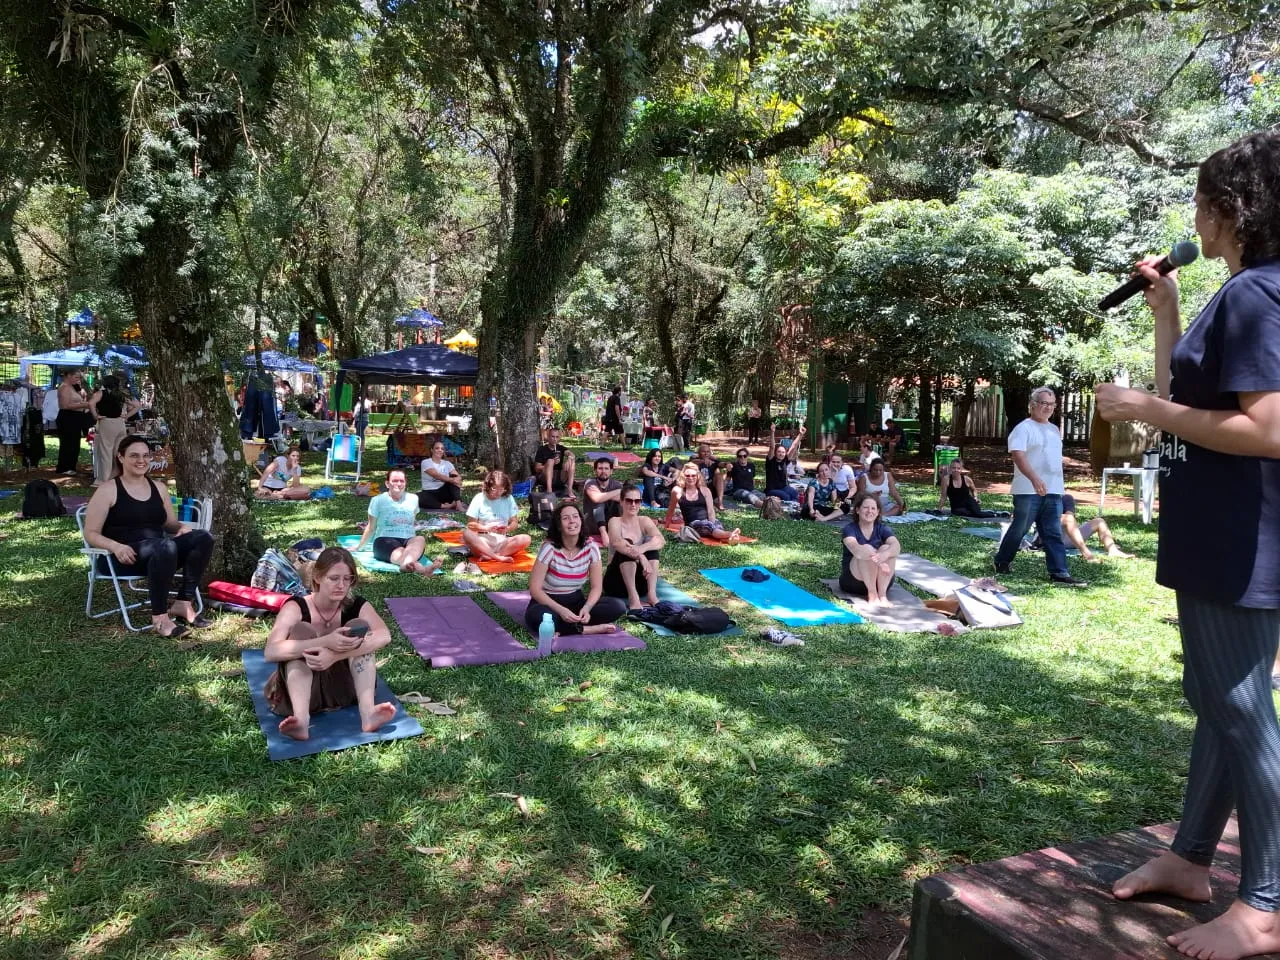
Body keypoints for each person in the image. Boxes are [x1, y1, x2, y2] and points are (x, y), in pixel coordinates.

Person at [1095, 131, 1280, 960]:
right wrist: (1167, 318)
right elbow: (1193, 405)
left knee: (1241, 710)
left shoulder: (1256, 297)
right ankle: (1189, 859)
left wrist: (1138, 408)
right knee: (1217, 700)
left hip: (1240, 537)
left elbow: (1267, 430)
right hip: (1218, 526)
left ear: (1232, 208)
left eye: (1203, 199)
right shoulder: (1242, 292)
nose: (1194, 216)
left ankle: (1267, 905)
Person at [82, 435, 215, 638]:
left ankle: (183, 603)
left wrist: (182, 527)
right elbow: (90, 533)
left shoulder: (159, 488)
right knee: (165, 546)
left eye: (145, 455)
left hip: (160, 554)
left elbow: (168, 524)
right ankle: (160, 618)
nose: (141, 460)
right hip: (121, 558)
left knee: (203, 537)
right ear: (121, 457)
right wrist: (116, 547)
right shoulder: (108, 490)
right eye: (134, 455)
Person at [262, 546, 397, 741]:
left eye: (347, 579)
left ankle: (368, 713)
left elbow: (384, 636)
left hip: (344, 692)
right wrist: (326, 641)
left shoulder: (356, 605)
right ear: (317, 577)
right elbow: (271, 651)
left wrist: (335, 655)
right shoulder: (296, 606)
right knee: (302, 631)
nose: (341, 585)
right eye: (334, 578)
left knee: (358, 628)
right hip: (300, 695)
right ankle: (301, 721)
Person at [992, 388, 1086, 587]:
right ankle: (1002, 561)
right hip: (1027, 489)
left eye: (1051, 404)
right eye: (1043, 403)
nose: (1048, 408)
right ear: (1032, 404)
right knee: (1020, 528)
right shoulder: (1023, 428)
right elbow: (1018, 455)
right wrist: (1034, 479)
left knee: (1052, 532)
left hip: (1053, 490)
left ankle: (1059, 572)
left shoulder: (1053, 429)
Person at [526, 501, 627, 636]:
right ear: (559, 525)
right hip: (549, 602)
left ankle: (565, 627)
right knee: (538, 617)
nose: (572, 521)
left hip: (576, 601)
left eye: (575, 516)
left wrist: (587, 607)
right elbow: (535, 589)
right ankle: (586, 629)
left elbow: (596, 587)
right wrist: (561, 611)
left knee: (617, 606)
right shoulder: (549, 548)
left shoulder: (591, 547)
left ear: (581, 520)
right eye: (566, 518)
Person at [353, 469, 438, 574]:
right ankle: (421, 569)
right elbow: (371, 527)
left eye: (402, 481)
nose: (398, 483)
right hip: (384, 540)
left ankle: (407, 566)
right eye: (395, 481)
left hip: (408, 539)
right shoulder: (378, 500)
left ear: (405, 483)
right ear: (387, 484)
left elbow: (411, 522)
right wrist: (359, 547)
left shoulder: (413, 499)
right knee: (402, 553)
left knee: (420, 539)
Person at [603, 483, 666, 610]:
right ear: (621, 502)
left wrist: (643, 548)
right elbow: (616, 542)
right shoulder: (615, 521)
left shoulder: (644, 520)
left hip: (641, 583)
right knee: (625, 545)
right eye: (629, 500)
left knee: (652, 546)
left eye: (637, 501)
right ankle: (633, 598)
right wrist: (641, 556)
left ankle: (651, 595)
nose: (633, 504)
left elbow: (661, 540)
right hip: (616, 584)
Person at [1029, 494, 1133, 562]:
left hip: (1069, 537)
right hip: (1047, 537)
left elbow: (1070, 517)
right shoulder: (1040, 498)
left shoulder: (1066, 498)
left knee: (1099, 521)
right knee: (1067, 518)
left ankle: (1113, 550)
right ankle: (1087, 555)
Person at [839, 492, 901, 605]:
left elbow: (896, 547)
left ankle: (882, 595)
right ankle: (872, 595)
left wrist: (885, 555)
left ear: (877, 512)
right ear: (857, 510)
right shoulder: (849, 529)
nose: (870, 511)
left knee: (888, 548)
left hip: (882, 581)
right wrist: (880, 562)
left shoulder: (882, 528)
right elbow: (856, 550)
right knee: (865, 549)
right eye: (866, 508)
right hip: (854, 581)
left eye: (873, 508)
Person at [463, 469, 533, 562]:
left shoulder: (508, 498)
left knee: (526, 538)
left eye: (501, 489)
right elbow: (471, 525)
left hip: (502, 541)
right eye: (494, 488)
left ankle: (492, 556)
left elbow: (514, 522)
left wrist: (507, 529)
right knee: (466, 533)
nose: (498, 493)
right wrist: (486, 528)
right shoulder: (479, 498)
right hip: (482, 541)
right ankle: (498, 558)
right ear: (488, 486)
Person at [89, 374, 144, 487]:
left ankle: (104, 479)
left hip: (107, 422)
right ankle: (118, 476)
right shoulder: (121, 395)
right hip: (120, 424)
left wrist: (96, 415)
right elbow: (138, 405)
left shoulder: (101, 393)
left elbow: (91, 403)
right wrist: (127, 416)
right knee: (118, 452)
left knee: (106, 451)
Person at [665, 462, 740, 542]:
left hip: (708, 521)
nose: (691, 478)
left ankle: (729, 539)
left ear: (698, 476)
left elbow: (711, 511)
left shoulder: (705, 490)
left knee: (714, 526)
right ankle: (730, 534)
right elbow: (671, 509)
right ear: (683, 477)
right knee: (708, 526)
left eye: (693, 475)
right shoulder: (677, 490)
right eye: (687, 476)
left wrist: (713, 523)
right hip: (693, 524)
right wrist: (666, 525)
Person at [55, 369, 94, 475]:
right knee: (68, 442)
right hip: (68, 417)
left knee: (75, 443)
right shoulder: (64, 387)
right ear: (68, 376)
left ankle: (71, 466)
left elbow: (81, 397)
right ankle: (64, 467)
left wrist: (81, 392)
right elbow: (66, 405)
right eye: (76, 377)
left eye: (79, 378)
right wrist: (85, 405)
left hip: (77, 416)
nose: (78, 380)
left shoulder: (74, 387)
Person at [582, 456, 623, 548]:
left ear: (611, 471)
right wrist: (617, 492)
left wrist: (604, 496)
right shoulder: (590, 483)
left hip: (612, 524)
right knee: (599, 502)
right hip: (593, 525)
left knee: (624, 503)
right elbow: (597, 499)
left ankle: (621, 529)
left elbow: (624, 498)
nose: (603, 471)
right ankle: (603, 533)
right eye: (600, 468)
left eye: (606, 468)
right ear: (595, 471)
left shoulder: (616, 484)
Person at [763, 423, 805, 502]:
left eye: (783, 452)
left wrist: (800, 435)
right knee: (786, 497)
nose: (781, 454)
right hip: (771, 490)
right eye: (779, 452)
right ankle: (787, 507)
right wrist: (772, 432)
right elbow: (772, 447)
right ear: (775, 453)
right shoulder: (771, 460)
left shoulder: (785, 461)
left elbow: (793, 447)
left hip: (784, 487)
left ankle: (794, 507)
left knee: (796, 494)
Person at [418, 440, 464, 510]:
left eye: (442, 449)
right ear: (432, 450)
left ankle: (458, 504)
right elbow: (436, 475)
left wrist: (457, 479)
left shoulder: (447, 463)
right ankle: (447, 506)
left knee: (454, 476)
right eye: (437, 448)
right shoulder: (426, 462)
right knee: (417, 497)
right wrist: (453, 480)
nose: (440, 450)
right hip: (430, 493)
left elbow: (457, 476)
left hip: (444, 492)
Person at [534, 426, 575, 494]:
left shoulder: (560, 448)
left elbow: (571, 454)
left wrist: (569, 458)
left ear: (559, 438)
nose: (555, 439)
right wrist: (549, 465)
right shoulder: (542, 449)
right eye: (553, 436)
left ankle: (570, 489)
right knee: (550, 461)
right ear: (548, 437)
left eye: (557, 437)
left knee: (572, 461)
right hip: (545, 477)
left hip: (559, 477)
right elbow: (537, 468)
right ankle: (549, 490)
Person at [690, 442, 726, 509]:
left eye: (708, 452)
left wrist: (727, 464)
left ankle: (720, 502)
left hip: (712, 489)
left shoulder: (713, 460)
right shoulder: (693, 459)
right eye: (703, 452)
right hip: (699, 491)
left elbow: (721, 464)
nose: (706, 453)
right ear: (699, 453)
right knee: (699, 475)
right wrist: (703, 461)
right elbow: (692, 462)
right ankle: (707, 502)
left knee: (719, 475)